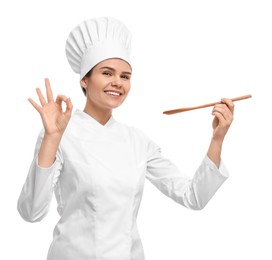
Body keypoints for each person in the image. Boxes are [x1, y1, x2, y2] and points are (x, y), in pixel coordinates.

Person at [17, 17, 234, 260]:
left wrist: (218, 138)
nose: (117, 83)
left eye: (125, 76)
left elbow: (193, 197)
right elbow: (31, 212)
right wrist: (51, 138)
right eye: (107, 73)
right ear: (84, 80)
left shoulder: (136, 141)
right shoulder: (59, 133)